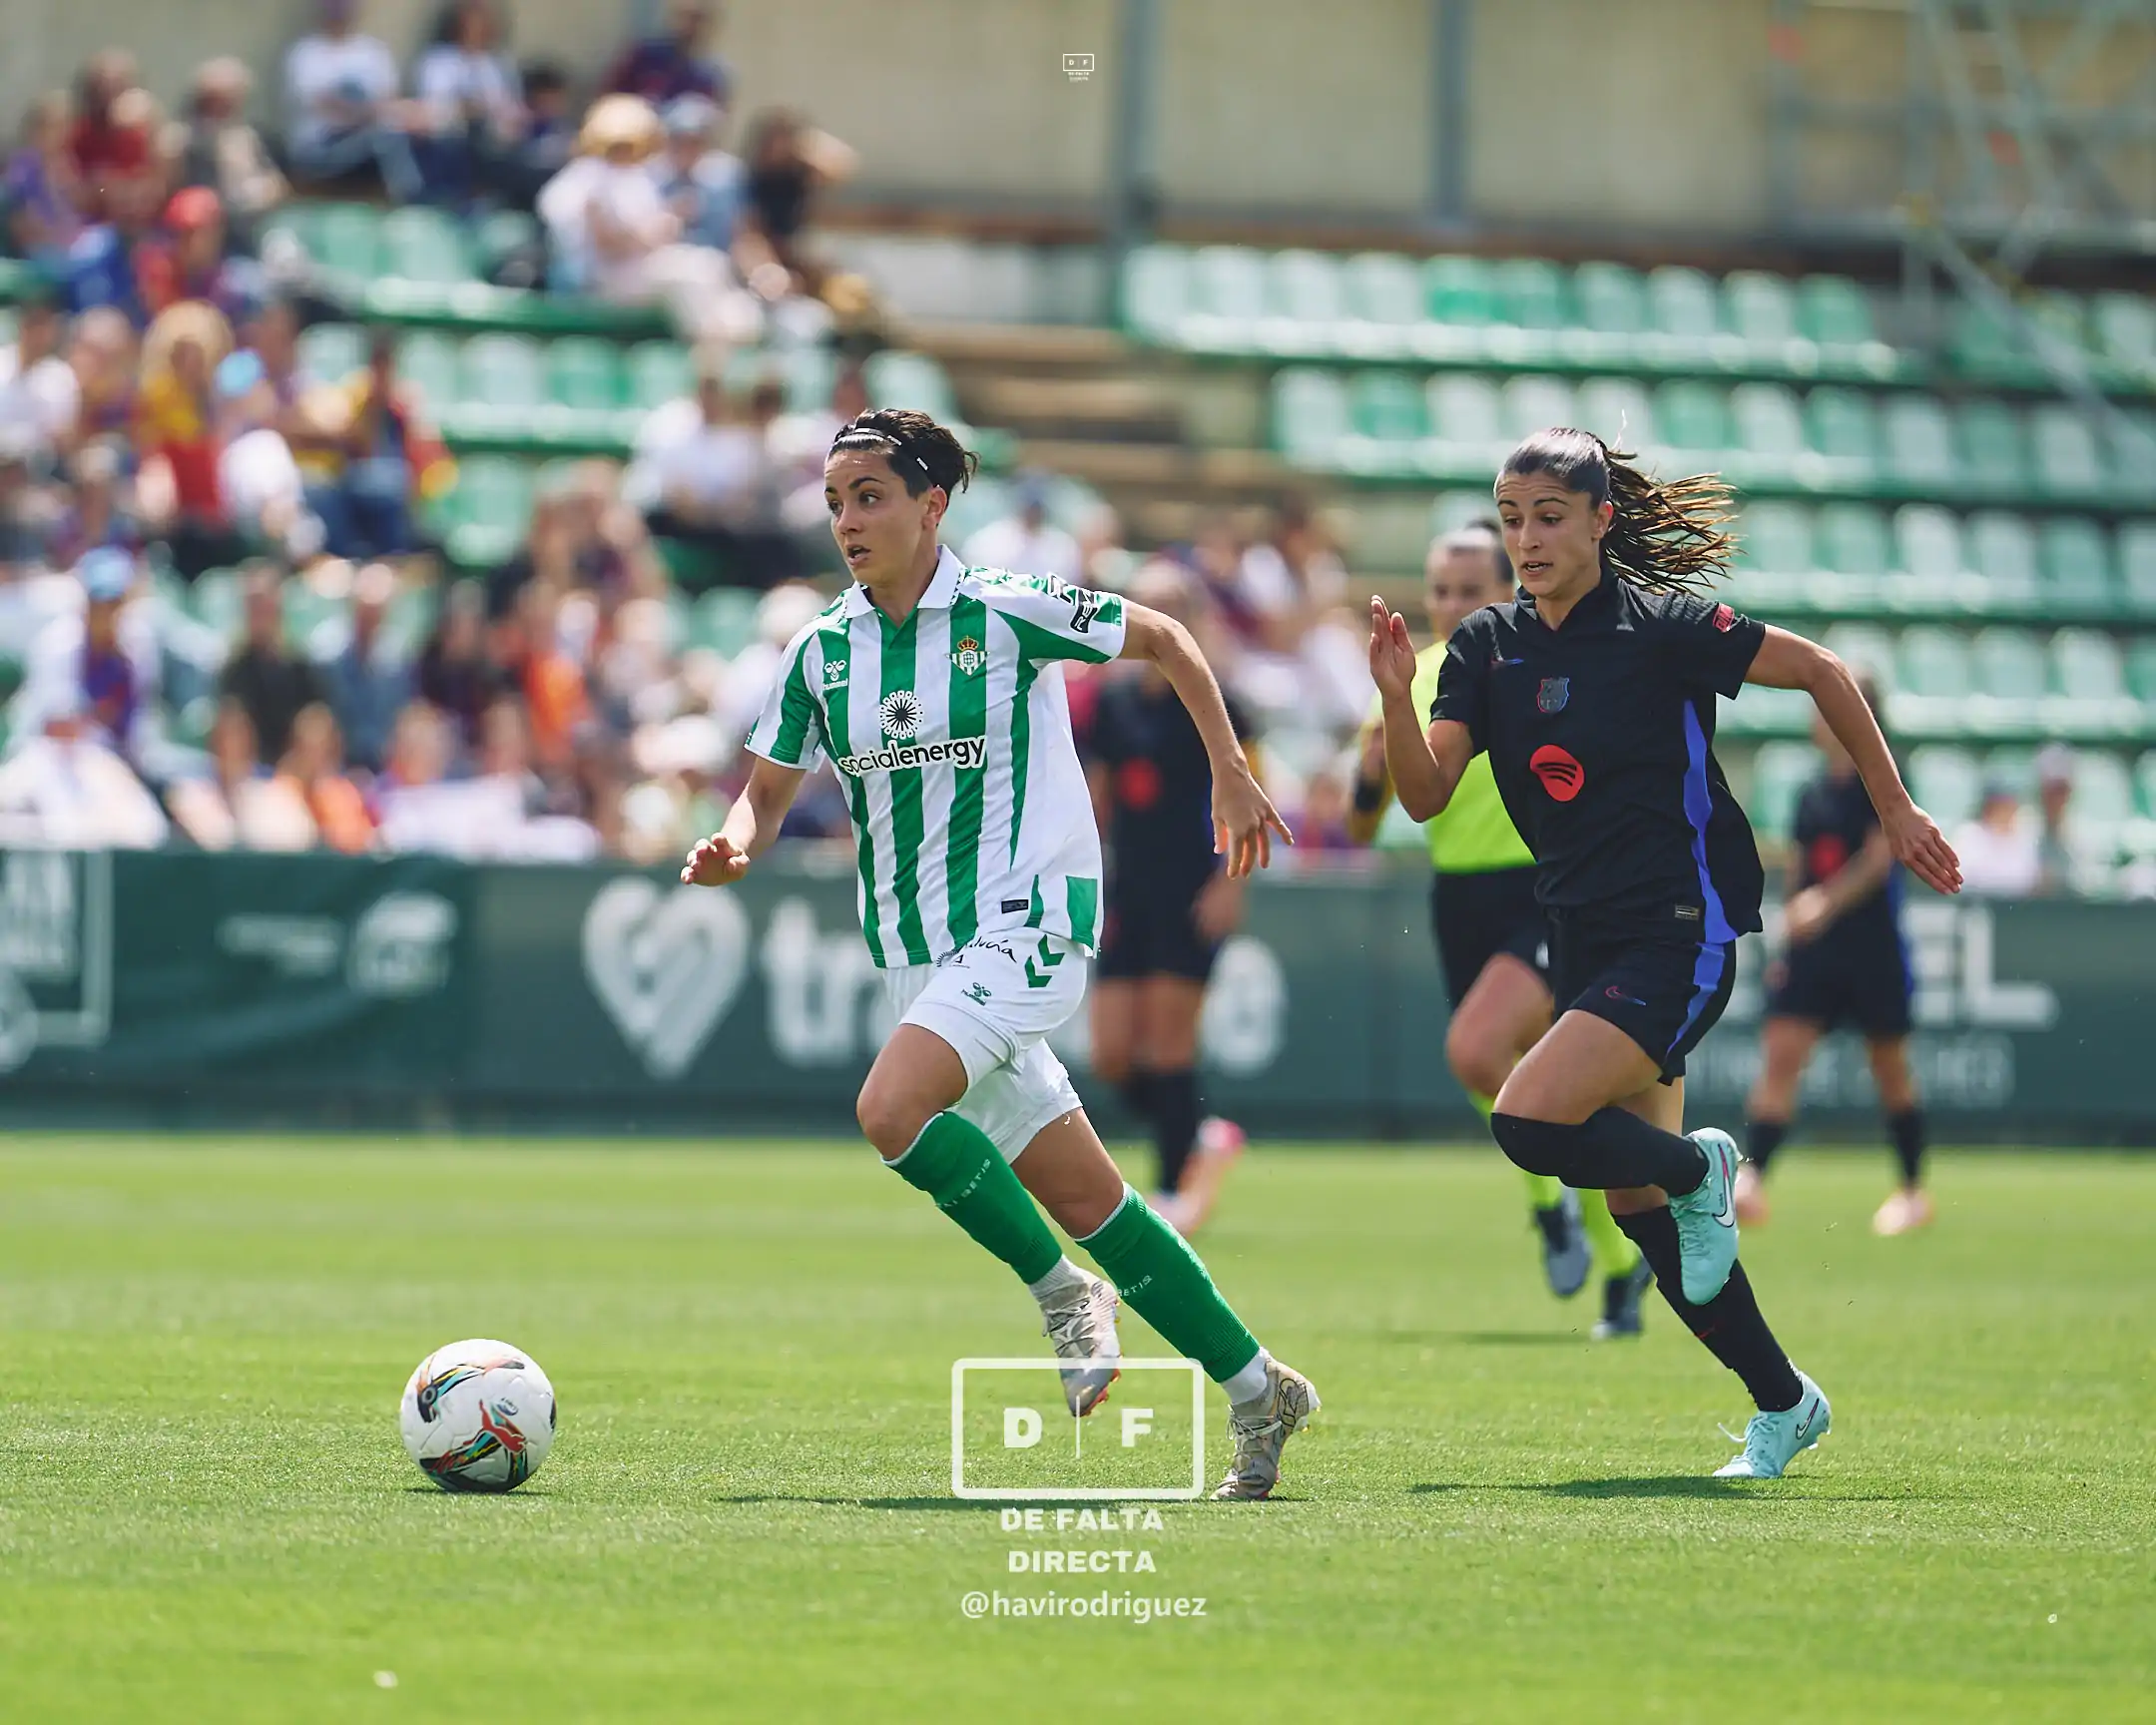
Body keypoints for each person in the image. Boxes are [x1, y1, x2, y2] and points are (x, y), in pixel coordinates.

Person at [680, 406, 1320, 1499]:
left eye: (871, 496)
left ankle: (1063, 1297)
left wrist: (1228, 768)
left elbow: (1166, 638)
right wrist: (734, 844)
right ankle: (1261, 1387)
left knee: (889, 1112)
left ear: (933, 506)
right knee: (1097, 1203)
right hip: (920, 960)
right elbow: (766, 794)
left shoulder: (1005, 610)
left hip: (1031, 921)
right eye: (836, 501)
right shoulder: (822, 650)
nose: (848, 520)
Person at [1371, 427, 1960, 1478]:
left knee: (1525, 1118)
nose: (1528, 538)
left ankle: (1704, 1167)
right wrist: (1387, 694)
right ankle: (1785, 1403)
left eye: (1549, 515)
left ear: (1602, 519)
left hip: (1678, 936)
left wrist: (1897, 808)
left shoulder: (1665, 627)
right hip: (1583, 943)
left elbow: (1822, 670)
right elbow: (1422, 796)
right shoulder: (1487, 646)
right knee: (1636, 1206)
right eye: (1512, 519)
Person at [1348, 523, 1651, 1337]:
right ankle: (1625, 1264)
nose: (1450, 604)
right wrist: (1372, 772)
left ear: (1507, 588)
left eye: (1468, 589)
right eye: (1438, 589)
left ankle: (1549, 1205)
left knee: (1475, 1050)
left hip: (1543, 893)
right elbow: (1366, 820)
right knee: (1541, 1090)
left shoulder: (1530, 665)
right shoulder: (1408, 679)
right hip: (1461, 902)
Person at [1080, 560, 1254, 1236]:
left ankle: (1173, 1189)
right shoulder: (1114, 703)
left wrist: (1230, 883)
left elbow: (1248, 798)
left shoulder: (1219, 702)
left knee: (1169, 1043)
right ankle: (1204, 1136)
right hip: (1129, 890)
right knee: (1113, 1055)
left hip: (1191, 889)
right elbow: (1096, 801)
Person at [1739, 673, 1930, 1237]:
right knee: (1781, 1054)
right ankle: (1753, 1180)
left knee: (1890, 1068)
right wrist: (1793, 926)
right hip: (1816, 952)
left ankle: (1912, 1190)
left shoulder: (1886, 783)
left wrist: (1823, 903)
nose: (1817, 717)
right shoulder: (1811, 793)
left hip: (1870, 948)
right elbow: (1799, 869)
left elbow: (1879, 860)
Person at [282, 0, 422, 202]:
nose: (340, 9)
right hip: (320, 149)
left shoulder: (372, 52)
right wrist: (367, 111)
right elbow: (325, 106)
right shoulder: (304, 54)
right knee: (384, 139)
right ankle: (409, 201)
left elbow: (389, 101)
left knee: (400, 134)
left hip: (366, 141)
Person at [410, 0, 527, 207]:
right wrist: (472, 109)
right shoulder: (438, 61)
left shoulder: (497, 64)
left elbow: (509, 107)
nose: (478, 29)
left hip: (492, 140)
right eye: (472, 23)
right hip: (447, 137)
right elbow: (433, 107)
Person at [220, 567, 326, 762]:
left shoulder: (298, 665)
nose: (258, 613)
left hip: (294, 769)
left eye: (263, 605)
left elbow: (315, 719)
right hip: (248, 771)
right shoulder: (234, 668)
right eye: (252, 606)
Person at [961, 471, 1080, 583]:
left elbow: (1070, 583)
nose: (1032, 513)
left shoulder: (1061, 544)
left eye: (1036, 509)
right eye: (1029, 509)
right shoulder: (990, 539)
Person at [1951, 780, 2040, 896]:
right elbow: (1962, 879)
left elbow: (2030, 881)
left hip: (2017, 909)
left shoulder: (2025, 837)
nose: (2006, 810)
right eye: (2001, 804)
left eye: (2010, 805)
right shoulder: (1969, 834)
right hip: (1976, 907)